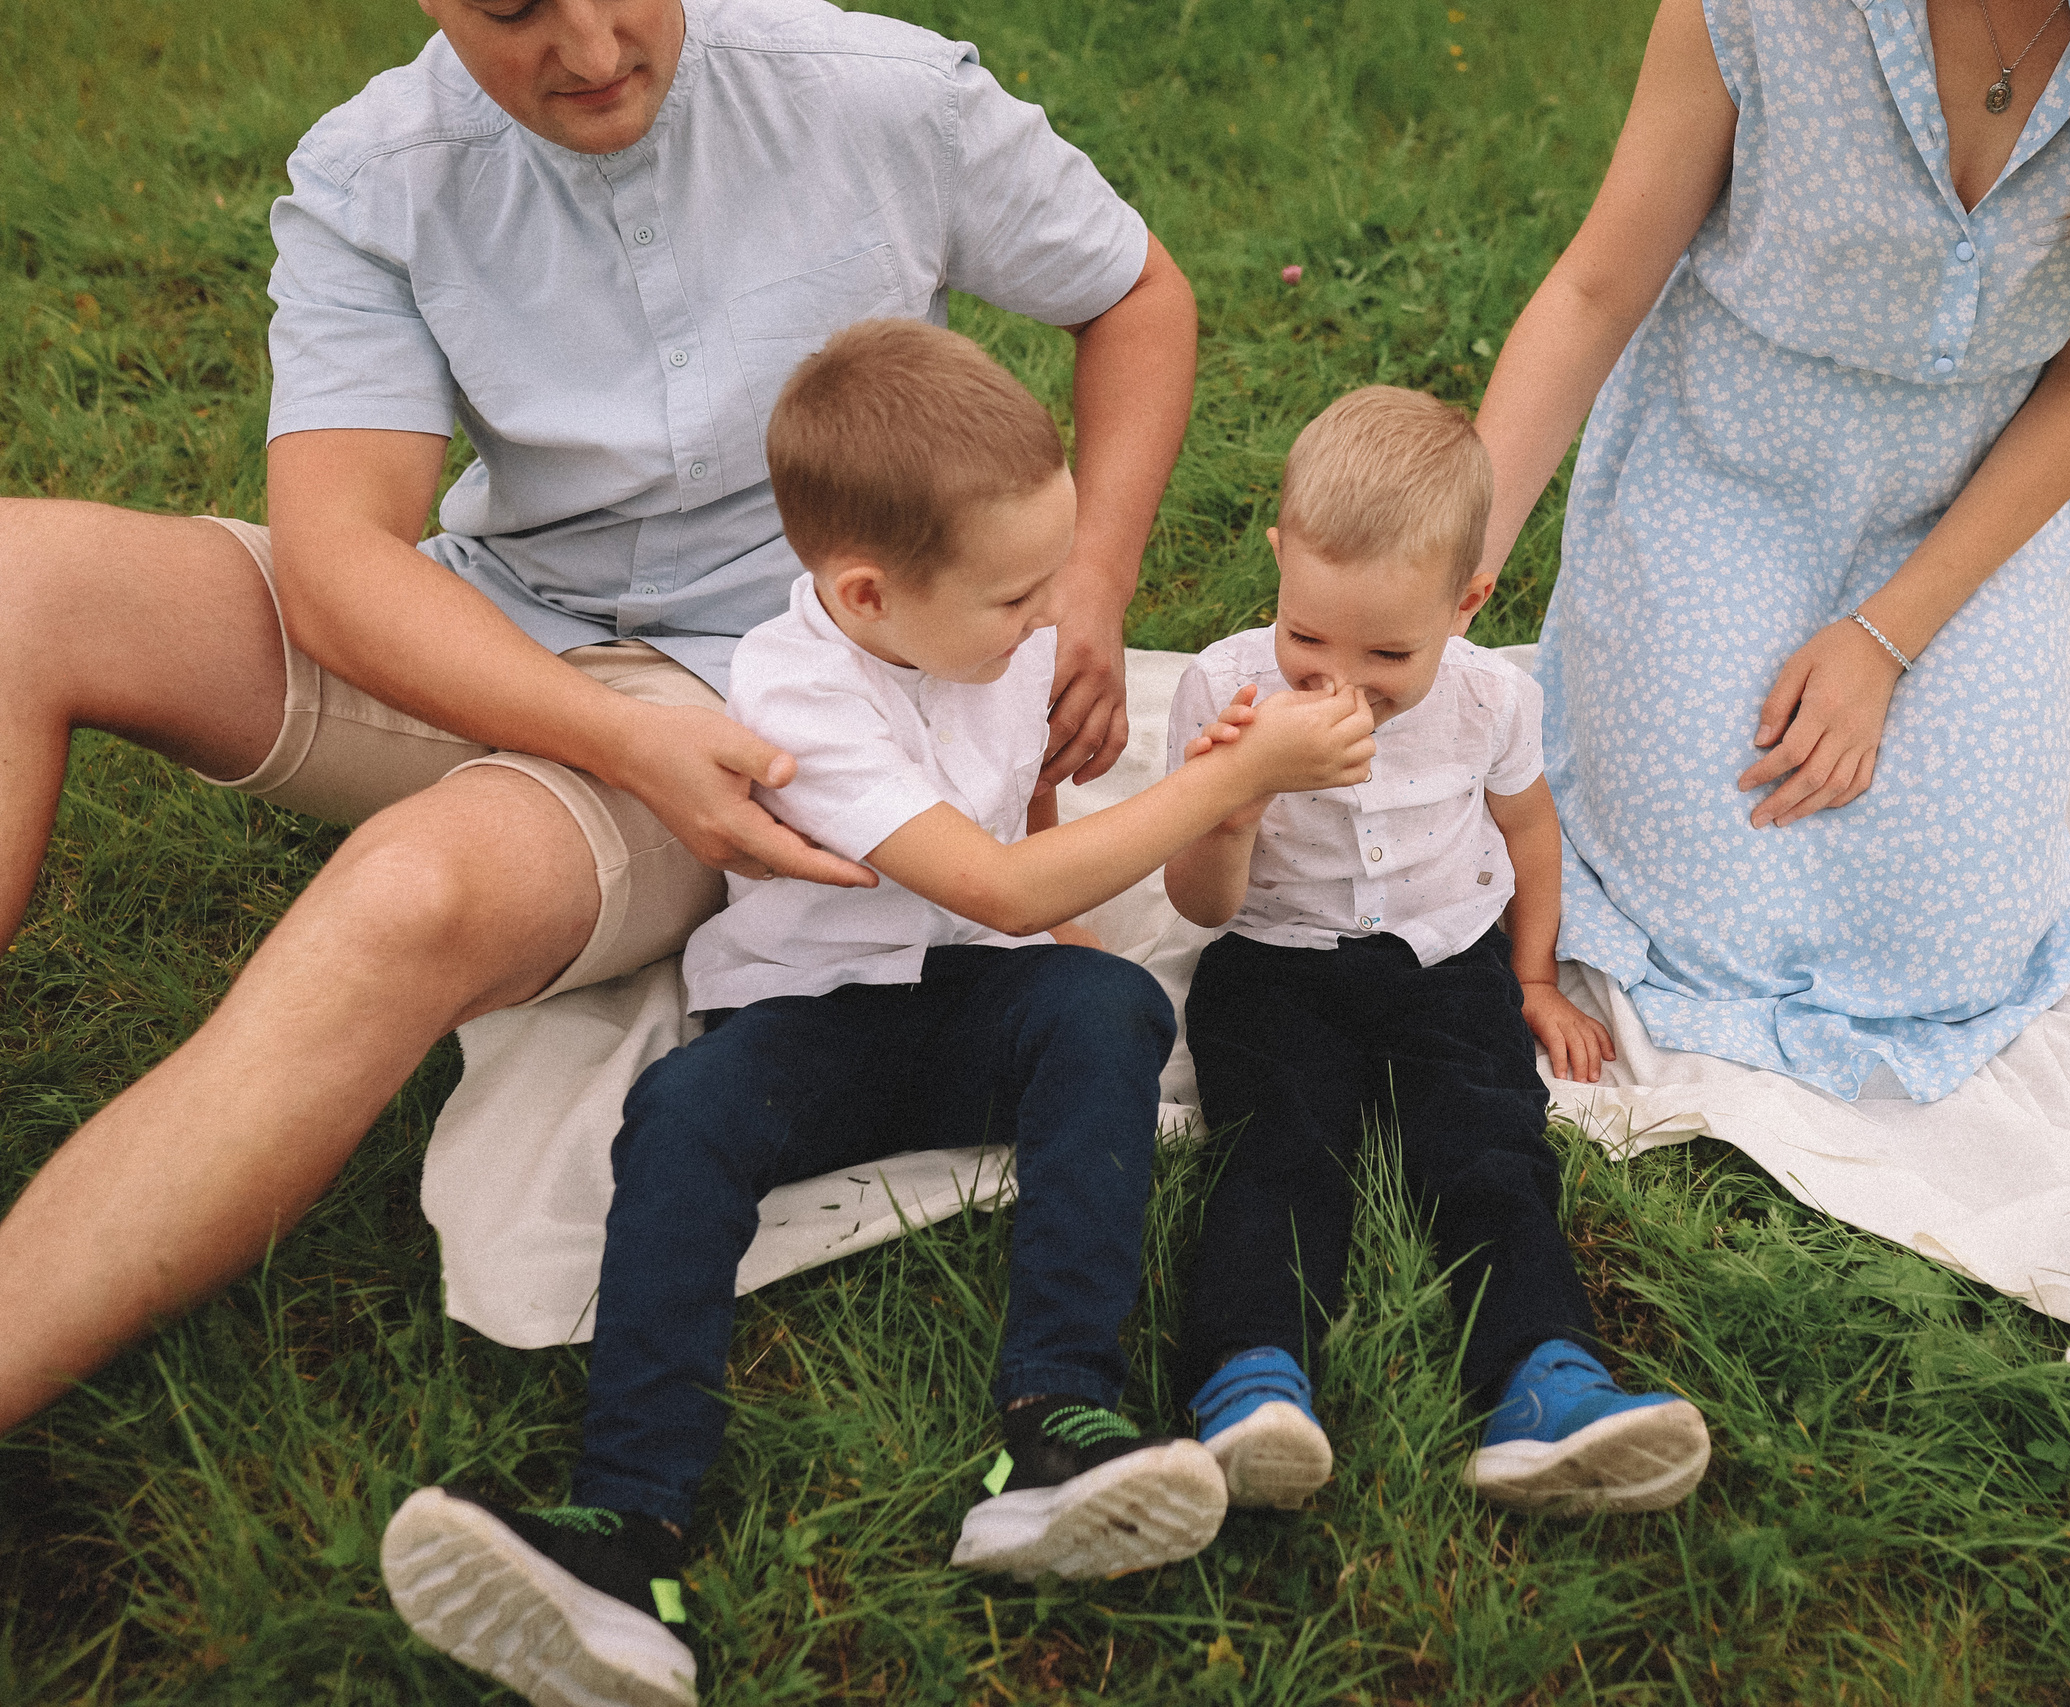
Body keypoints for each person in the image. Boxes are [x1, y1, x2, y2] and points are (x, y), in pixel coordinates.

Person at [0, 0, 1198, 1435]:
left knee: (405, 896)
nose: (588, 48)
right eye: (513, 8)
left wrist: (1093, 584)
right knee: (22, 578)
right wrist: (611, 736)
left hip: (759, 690)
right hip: (489, 617)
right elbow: (336, 562)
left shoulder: (881, 92)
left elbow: (1134, 292)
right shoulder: (377, 167)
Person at [378, 322, 1380, 1706]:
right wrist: (1222, 784)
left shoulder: (998, 636)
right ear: (863, 595)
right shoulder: (799, 687)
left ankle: (1056, 1430)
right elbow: (1000, 883)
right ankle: (627, 1525)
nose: (1053, 616)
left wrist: (1082, 886)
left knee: (1105, 1004)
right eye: (1018, 594)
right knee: (680, 1113)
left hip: (971, 999)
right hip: (811, 1023)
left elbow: (1020, 816)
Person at [1466, 0, 2070, 1102]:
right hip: (1730, 463)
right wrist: (1450, 570)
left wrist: (1885, 637)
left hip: (1968, 505)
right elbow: (1596, 290)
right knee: (1701, 895)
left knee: (1946, 942)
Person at [1158, 387, 1712, 1517]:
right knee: (1279, 1150)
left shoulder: (1490, 699)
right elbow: (1201, 904)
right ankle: (1250, 1378)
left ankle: (1543, 1382)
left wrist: (1532, 976)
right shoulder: (1223, 691)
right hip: (1274, 958)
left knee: (1487, 1147)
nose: (1336, 680)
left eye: (1387, 652)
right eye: (1305, 635)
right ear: (1279, 560)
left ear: (1467, 605)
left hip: (1444, 956)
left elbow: (1527, 830)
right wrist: (1230, 801)